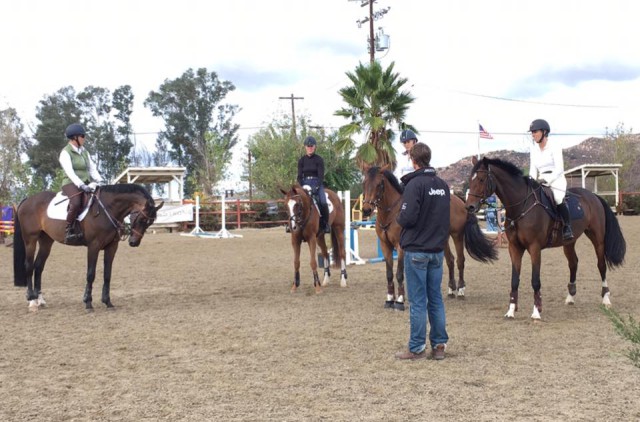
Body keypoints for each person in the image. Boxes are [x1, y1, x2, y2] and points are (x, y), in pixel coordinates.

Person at [395, 142, 450, 361]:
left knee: (418, 301)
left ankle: (417, 347)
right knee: (435, 299)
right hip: (437, 251)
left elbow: (407, 217)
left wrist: (398, 217)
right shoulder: (443, 185)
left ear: (413, 159)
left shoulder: (414, 185)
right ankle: (438, 346)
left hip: (417, 250)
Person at [528, 119, 574, 240]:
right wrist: (530, 181)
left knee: (558, 198)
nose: (533, 135)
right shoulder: (533, 150)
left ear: (544, 132)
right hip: (540, 179)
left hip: (556, 179)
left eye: (535, 132)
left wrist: (548, 181)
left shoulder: (554, 146)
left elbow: (559, 168)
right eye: (532, 132)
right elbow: (533, 170)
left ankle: (567, 227)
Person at [59, 123, 104, 244]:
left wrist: (100, 181)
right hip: (70, 183)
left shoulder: (85, 152)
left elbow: (92, 169)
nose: (84, 138)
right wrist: (81, 185)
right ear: (75, 138)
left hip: (86, 182)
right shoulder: (65, 153)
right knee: (76, 202)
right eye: (82, 136)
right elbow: (70, 172)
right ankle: (68, 230)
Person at [297, 135, 330, 233]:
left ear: (315, 147)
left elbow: (321, 176)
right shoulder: (301, 160)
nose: (310, 148)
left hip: (316, 183)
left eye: (312, 146)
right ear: (305, 147)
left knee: (323, 202)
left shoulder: (319, 159)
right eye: (308, 146)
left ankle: (325, 224)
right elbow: (299, 176)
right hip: (305, 183)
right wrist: (302, 186)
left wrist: (316, 187)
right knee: (295, 201)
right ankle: (292, 223)